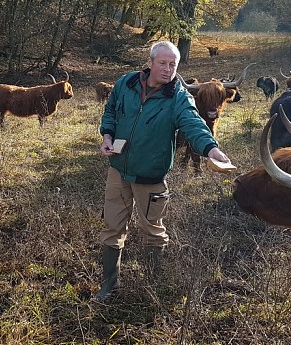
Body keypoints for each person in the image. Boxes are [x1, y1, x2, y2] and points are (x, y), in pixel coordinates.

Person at [95, 40, 231, 301]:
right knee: (112, 229)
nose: (168, 69)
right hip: (118, 171)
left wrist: (211, 149)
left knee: (153, 232)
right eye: (163, 63)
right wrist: (108, 135)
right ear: (150, 62)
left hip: (151, 177)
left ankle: (152, 287)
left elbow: (194, 124)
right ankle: (109, 285)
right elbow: (110, 111)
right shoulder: (126, 83)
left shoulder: (178, 97)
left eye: (173, 65)